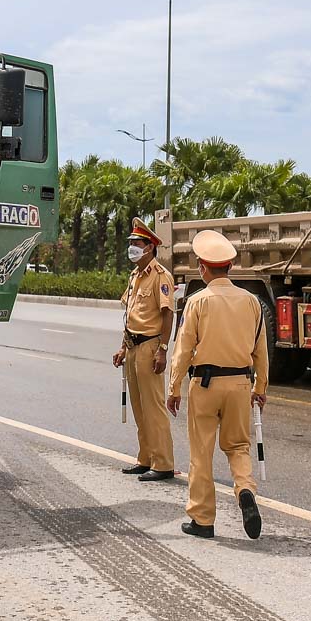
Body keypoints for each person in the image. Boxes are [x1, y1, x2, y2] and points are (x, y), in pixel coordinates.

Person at [167, 230, 268, 540]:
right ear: (230, 267)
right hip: (240, 384)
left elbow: (183, 350)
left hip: (206, 384)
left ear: (202, 267)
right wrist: (260, 388)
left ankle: (202, 519)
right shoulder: (252, 302)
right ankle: (245, 491)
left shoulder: (197, 302)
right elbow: (260, 351)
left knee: (201, 453)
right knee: (238, 446)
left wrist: (173, 388)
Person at [111, 218, 177, 482]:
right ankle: (146, 457)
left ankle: (163, 463)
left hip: (150, 346)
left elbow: (168, 315)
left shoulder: (161, 276)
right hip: (133, 347)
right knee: (139, 407)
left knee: (154, 407)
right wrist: (122, 348)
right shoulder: (135, 276)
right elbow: (130, 314)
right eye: (130, 243)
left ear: (149, 247)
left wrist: (162, 349)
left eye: (136, 243)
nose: (132, 247)